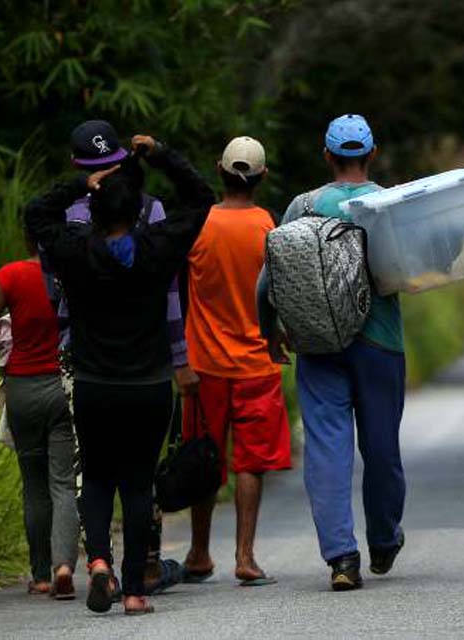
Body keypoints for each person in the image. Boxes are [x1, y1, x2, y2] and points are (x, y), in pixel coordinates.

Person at [25, 135, 214, 615]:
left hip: (93, 385)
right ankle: (132, 592)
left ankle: (100, 565)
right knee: (137, 485)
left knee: (99, 479)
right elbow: (200, 197)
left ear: (95, 209)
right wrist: (161, 154)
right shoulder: (156, 248)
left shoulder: (76, 252)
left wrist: (79, 186)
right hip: (149, 387)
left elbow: (36, 214)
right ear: (137, 212)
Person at [257, 114, 406, 591]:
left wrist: (270, 332)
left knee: (326, 449)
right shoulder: (388, 204)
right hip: (380, 344)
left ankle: (342, 558)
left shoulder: (303, 206)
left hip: (318, 344)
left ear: (327, 157)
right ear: (372, 153)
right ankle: (384, 539)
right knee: (381, 446)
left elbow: (269, 277)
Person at [180, 137, 292, 587]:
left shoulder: (198, 226)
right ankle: (245, 557)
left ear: (219, 171)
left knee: (204, 459)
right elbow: (281, 294)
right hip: (258, 364)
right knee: (251, 462)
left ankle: (199, 553)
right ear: (261, 178)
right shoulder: (269, 227)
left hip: (203, 363)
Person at [0, 229, 79, 600]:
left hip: (22, 391)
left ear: (27, 239)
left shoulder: (10, 276)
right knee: (62, 483)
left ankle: (41, 575)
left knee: (34, 485)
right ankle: (65, 565)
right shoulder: (69, 274)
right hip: (61, 386)